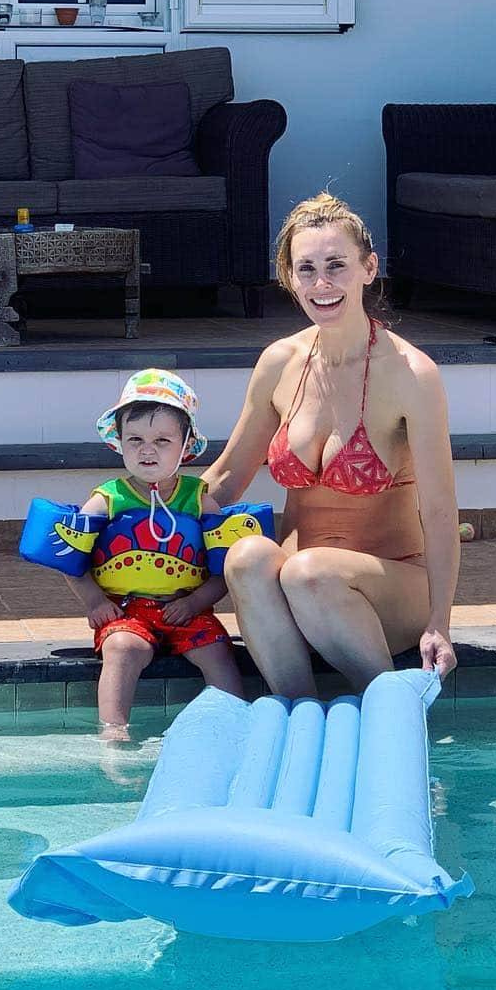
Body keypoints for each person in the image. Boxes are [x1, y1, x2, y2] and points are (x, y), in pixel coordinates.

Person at [202, 193, 459, 699]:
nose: (322, 284)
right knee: (249, 557)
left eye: (337, 266)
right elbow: (225, 479)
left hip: (392, 588)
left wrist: (440, 623)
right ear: (289, 278)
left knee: (308, 570)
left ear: (369, 268)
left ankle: (391, 710)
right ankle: (298, 712)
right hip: (300, 590)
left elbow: (440, 508)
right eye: (307, 269)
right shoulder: (279, 362)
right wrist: (128, 505)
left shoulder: (411, 374)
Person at [66, 369, 244, 738]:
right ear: (119, 443)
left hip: (187, 607)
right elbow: (69, 555)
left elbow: (224, 566)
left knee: (217, 651)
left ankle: (234, 728)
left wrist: (197, 603)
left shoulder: (198, 499)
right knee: (122, 649)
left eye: (162, 439)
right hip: (126, 609)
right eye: (135, 439)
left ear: (186, 445)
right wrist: (95, 601)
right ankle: (113, 733)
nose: (147, 449)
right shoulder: (107, 499)